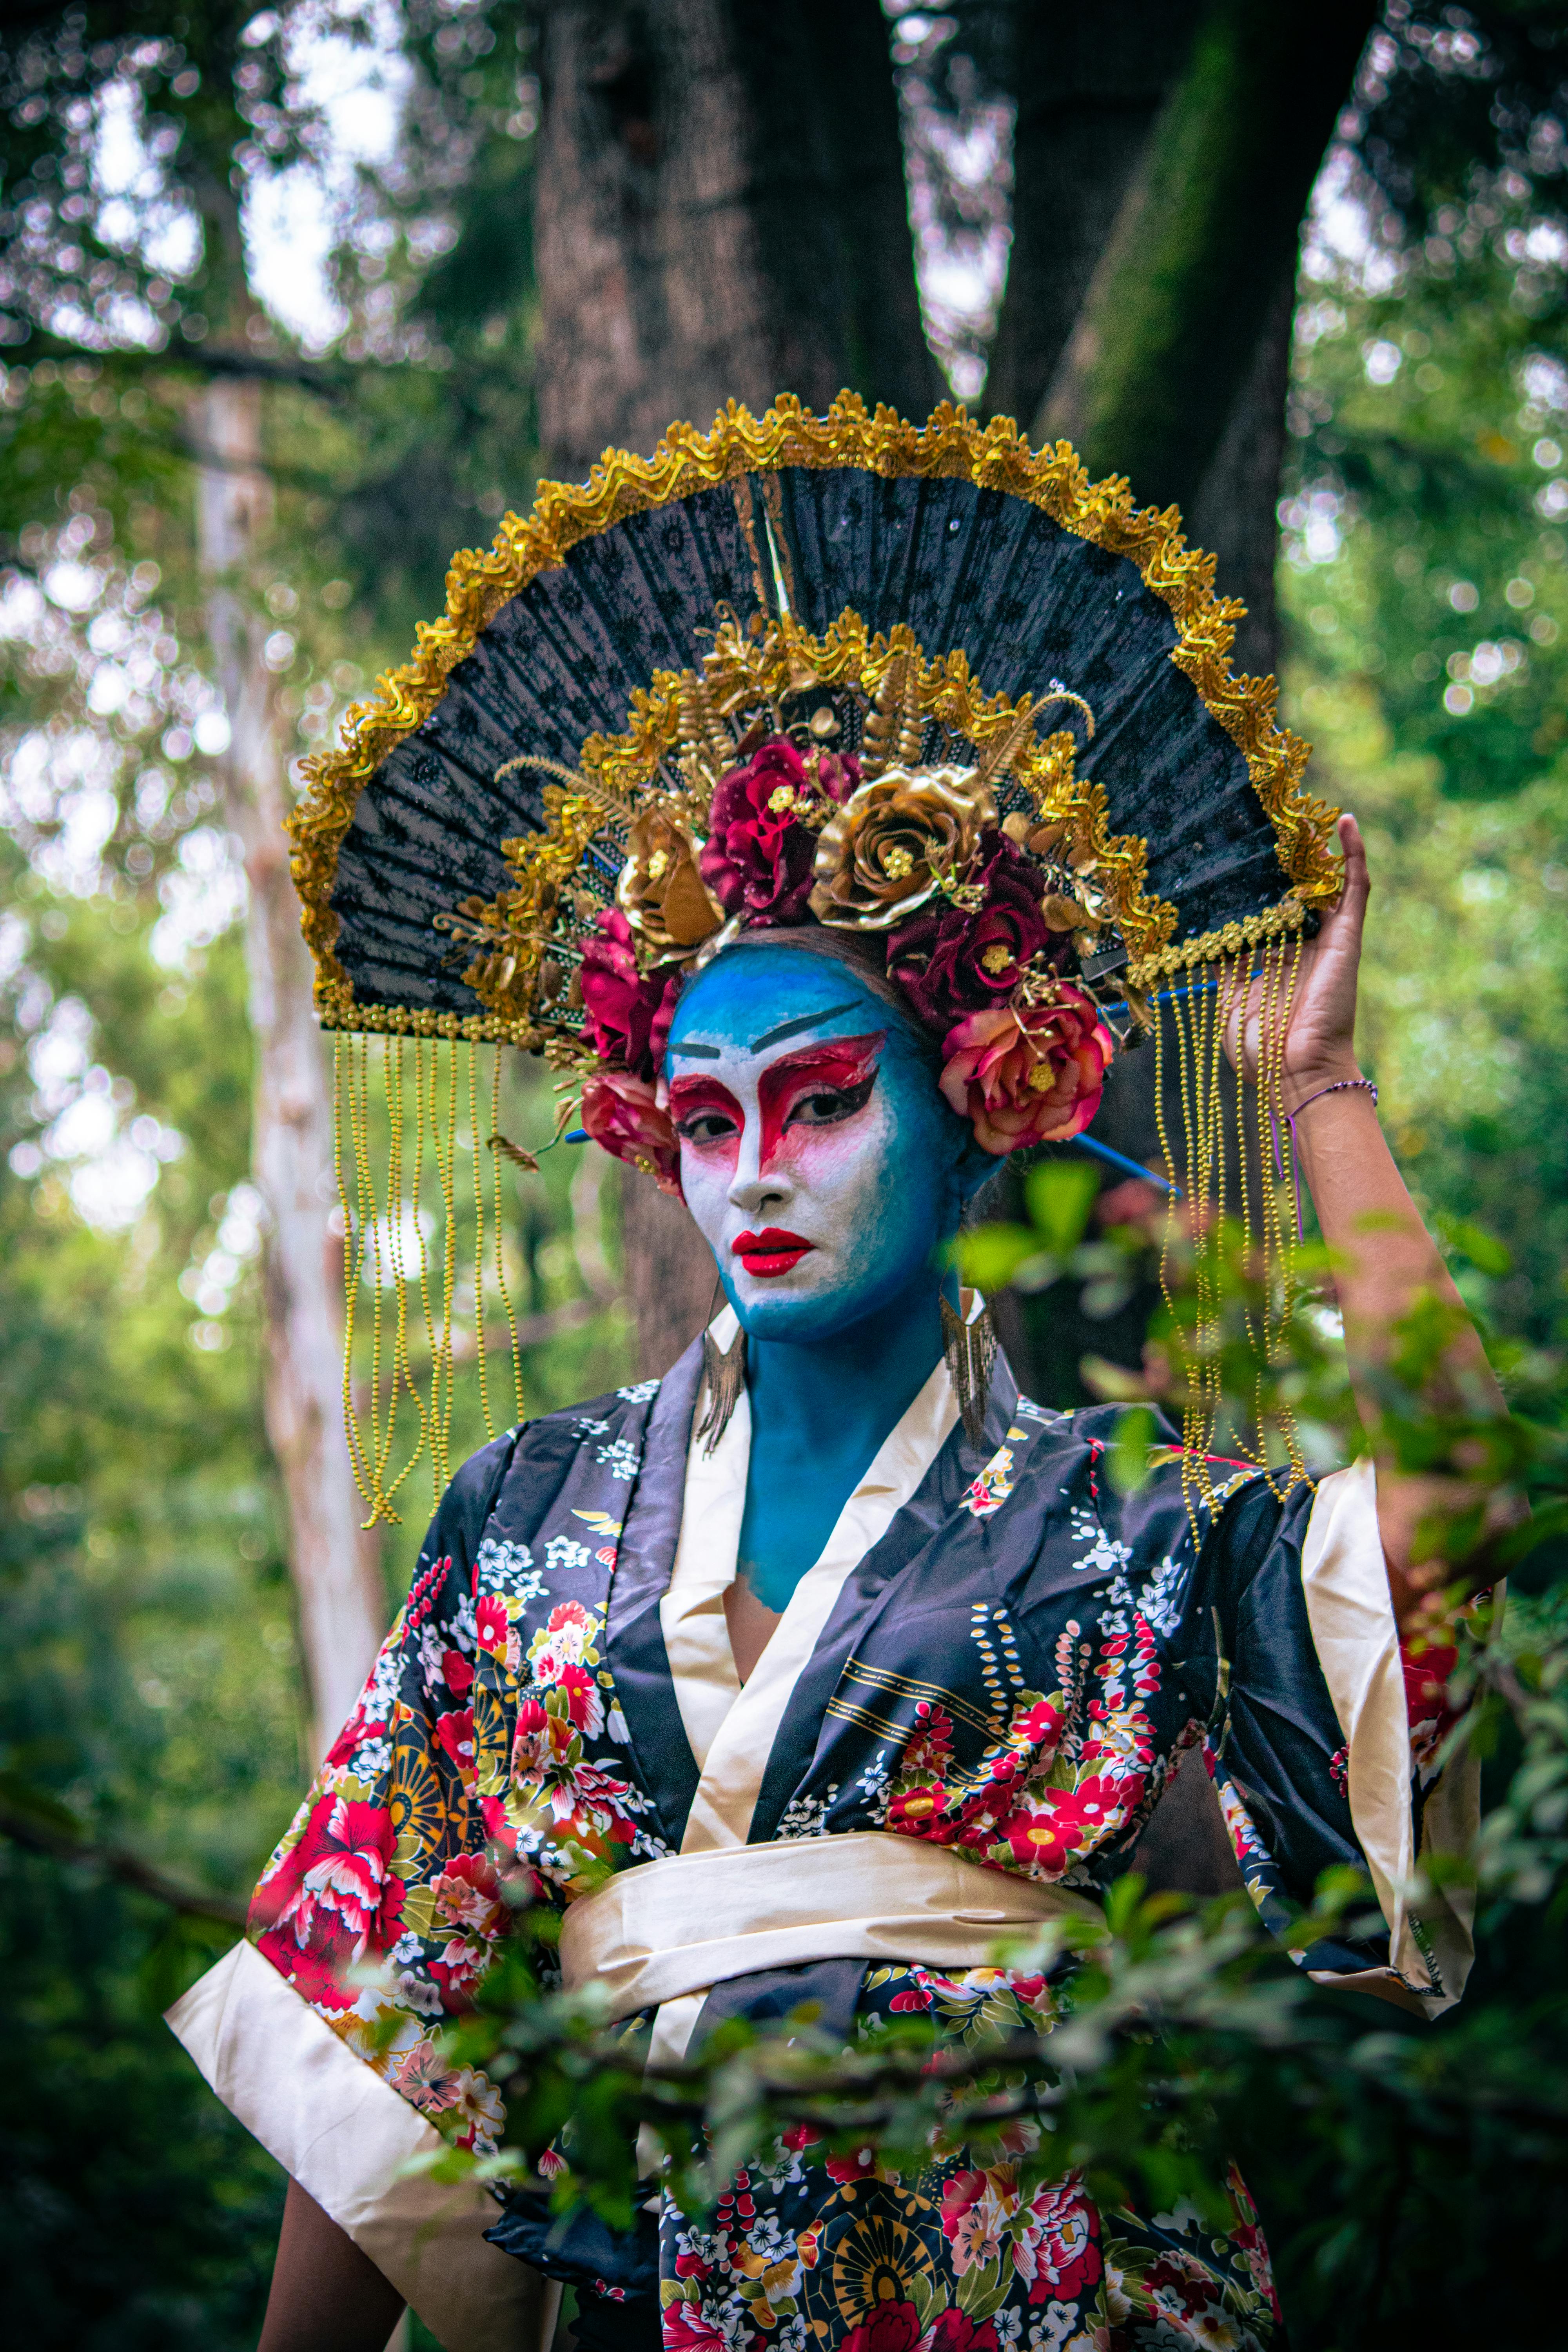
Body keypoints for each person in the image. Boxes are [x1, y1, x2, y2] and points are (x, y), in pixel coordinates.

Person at [166, 398, 1494, 2352]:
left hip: (1047, 2284)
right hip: (648, 2275)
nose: (756, 1169)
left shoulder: (1133, 1520)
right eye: (705, 1119)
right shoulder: (524, 1522)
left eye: (817, 1099)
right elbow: (382, 2024)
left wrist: (1309, 1088)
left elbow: (1463, 1515)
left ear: (972, 1110)